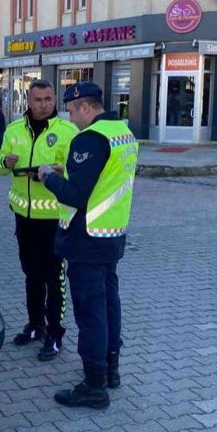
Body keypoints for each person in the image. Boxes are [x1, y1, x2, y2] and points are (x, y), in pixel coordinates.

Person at [38, 82, 138, 409]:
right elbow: (102, 179)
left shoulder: (89, 138)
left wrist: (49, 178)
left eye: (71, 110)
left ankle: (94, 385)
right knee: (110, 303)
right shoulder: (122, 132)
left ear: (84, 106)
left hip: (86, 239)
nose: (70, 116)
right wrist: (66, 171)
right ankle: (111, 368)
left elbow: (75, 194)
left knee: (90, 311)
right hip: (111, 235)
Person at [0, 80, 77, 360]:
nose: (44, 105)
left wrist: (58, 171)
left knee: (54, 279)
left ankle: (55, 333)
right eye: (38, 99)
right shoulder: (14, 130)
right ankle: (35, 325)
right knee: (31, 275)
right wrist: (5, 163)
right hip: (24, 218)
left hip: (54, 219)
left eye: (49, 99)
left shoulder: (66, 131)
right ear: (28, 101)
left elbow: (76, 172)